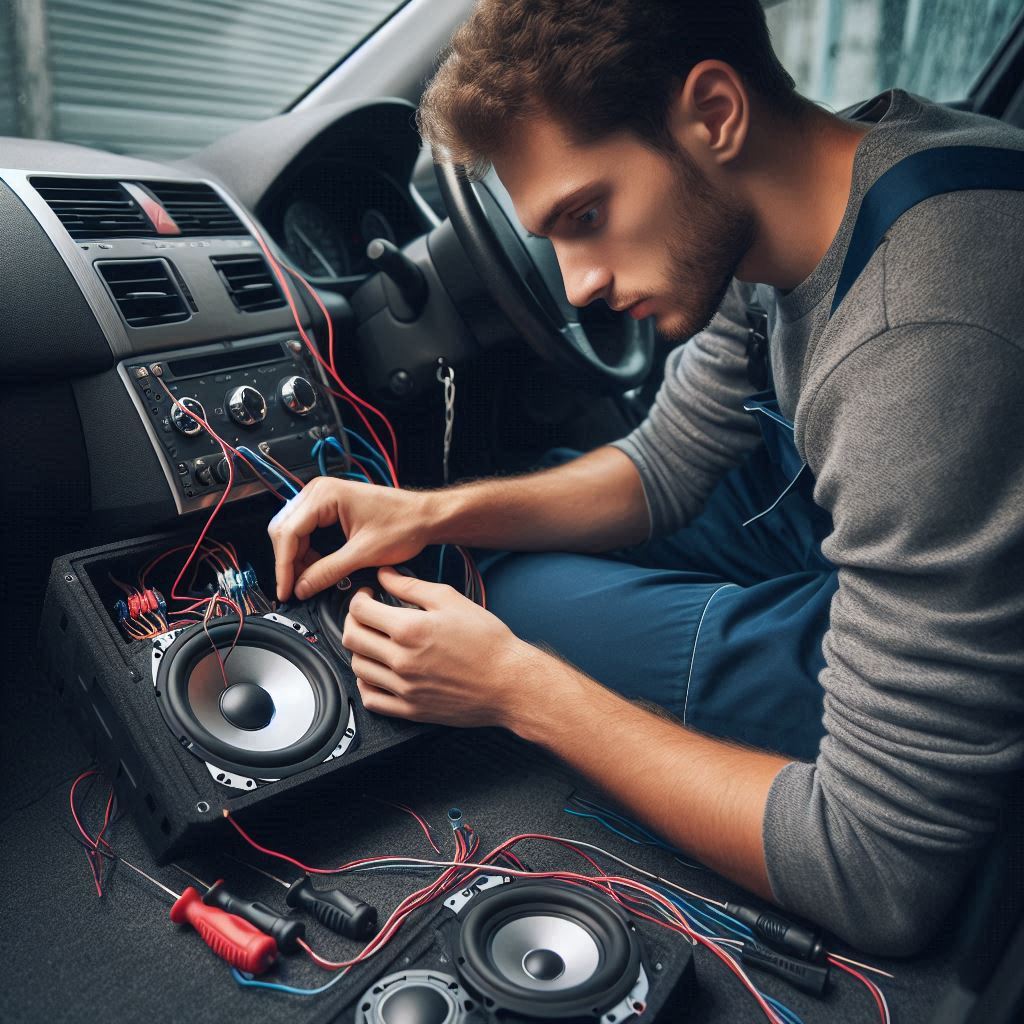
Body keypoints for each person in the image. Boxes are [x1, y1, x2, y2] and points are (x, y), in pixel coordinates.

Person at [268, 0, 1024, 954]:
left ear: (713, 111)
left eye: (587, 216)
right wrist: (427, 510)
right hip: (879, 502)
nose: (579, 282)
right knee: (482, 542)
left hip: (975, 675)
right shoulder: (822, 185)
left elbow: (874, 872)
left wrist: (517, 689)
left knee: (510, 608)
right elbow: (662, 468)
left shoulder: (918, 343)